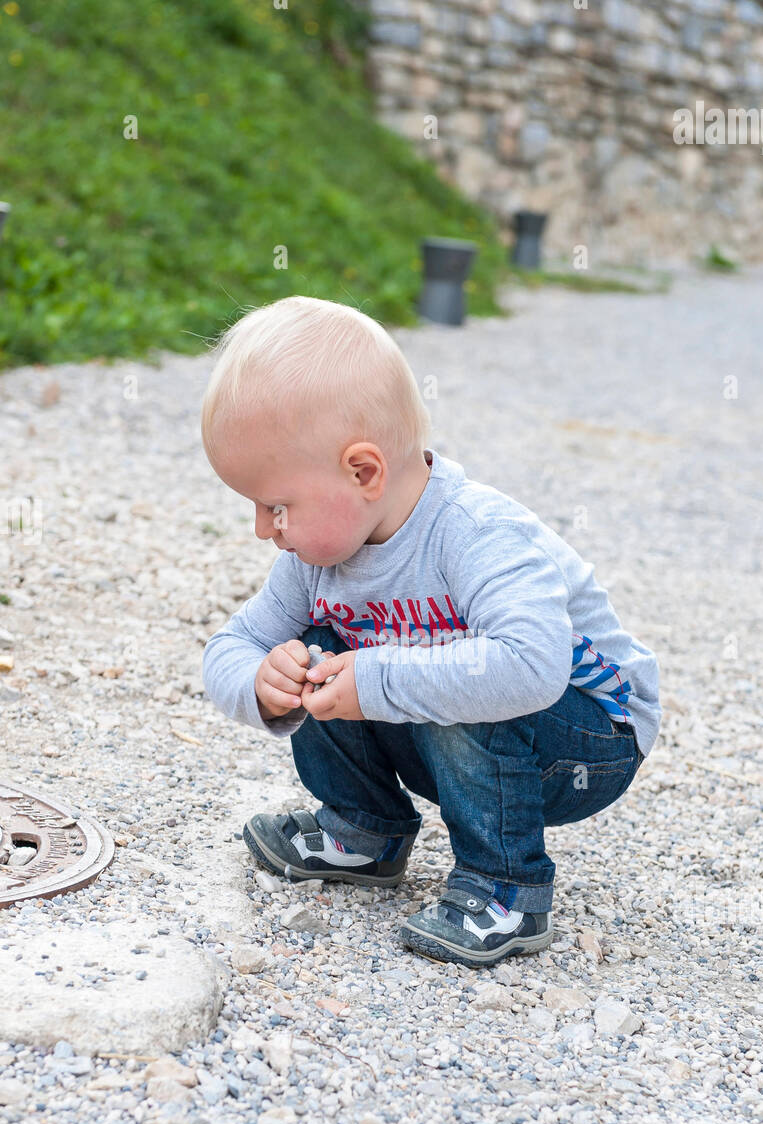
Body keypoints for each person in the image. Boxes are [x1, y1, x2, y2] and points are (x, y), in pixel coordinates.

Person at [200, 295, 661, 968]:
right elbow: (231, 647)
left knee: (453, 672)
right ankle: (364, 830)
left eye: (276, 506)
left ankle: (506, 888)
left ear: (363, 472)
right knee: (318, 654)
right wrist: (262, 680)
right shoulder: (315, 561)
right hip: (473, 725)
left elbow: (531, 666)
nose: (263, 529)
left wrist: (382, 678)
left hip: (587, 738)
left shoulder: (474, 534)